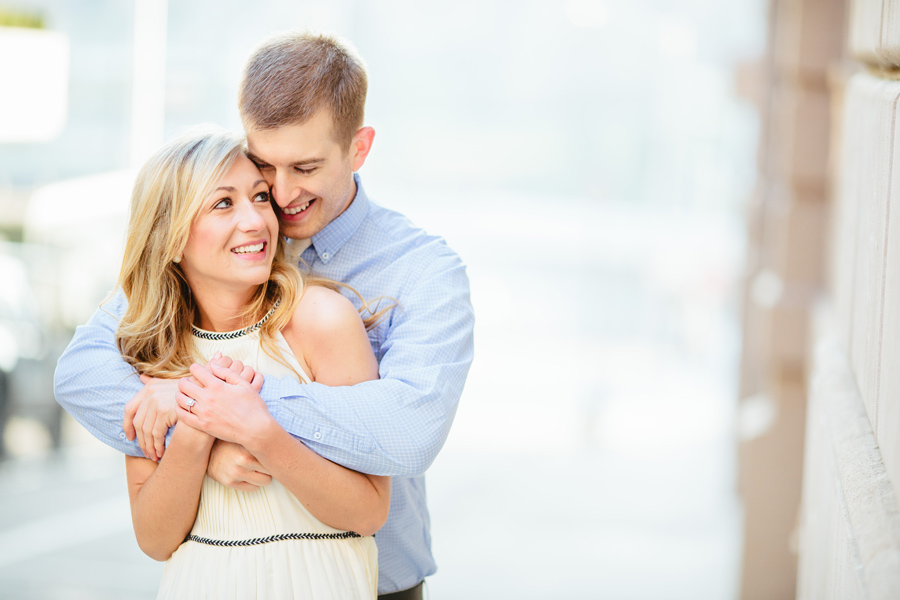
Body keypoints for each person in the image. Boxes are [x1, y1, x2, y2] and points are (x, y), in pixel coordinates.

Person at [54, 32, 475, 599]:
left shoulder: (422, 270)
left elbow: (410, 430)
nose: (279, 195)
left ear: (359, 148)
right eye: (263, 166)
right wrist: (203, 437)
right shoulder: (223, 247)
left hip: (372, 582)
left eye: (304, 167)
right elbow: (83, 371)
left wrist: (221, 404)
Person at [116, 128, 388, 597]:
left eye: (260, 197)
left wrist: (260, 432)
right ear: (172, 239)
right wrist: (198, 425)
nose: (256, 220)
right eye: (224, 204)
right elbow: (155, 540)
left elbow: (369, 511)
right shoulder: (157, 352)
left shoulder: (321, 320)